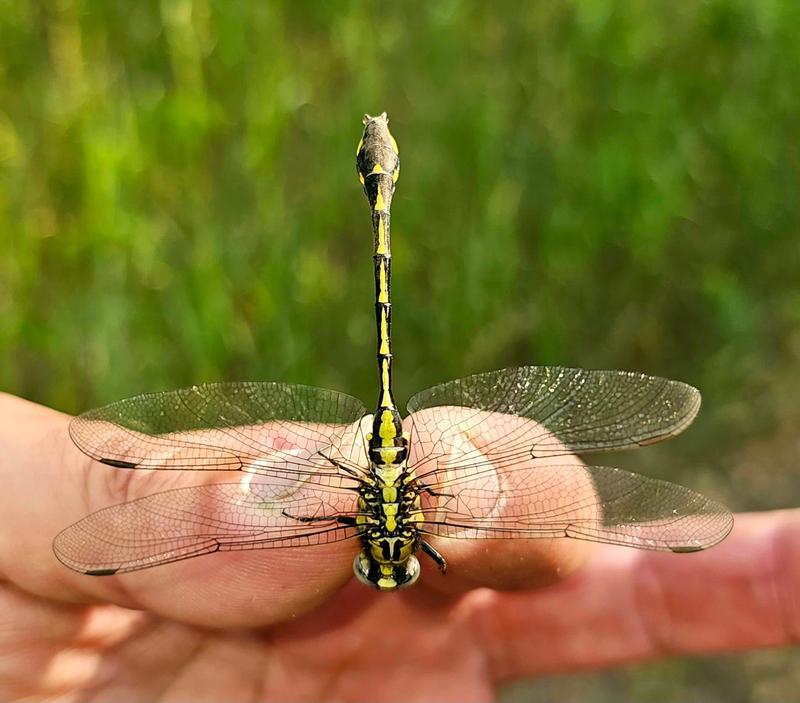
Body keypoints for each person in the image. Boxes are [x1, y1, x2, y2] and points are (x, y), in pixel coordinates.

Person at [1, 391, 797, 702]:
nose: (386, 563)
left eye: (388, 560)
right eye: (394, 560)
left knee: (532, 502)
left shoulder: (371, 515)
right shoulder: (341, 518)